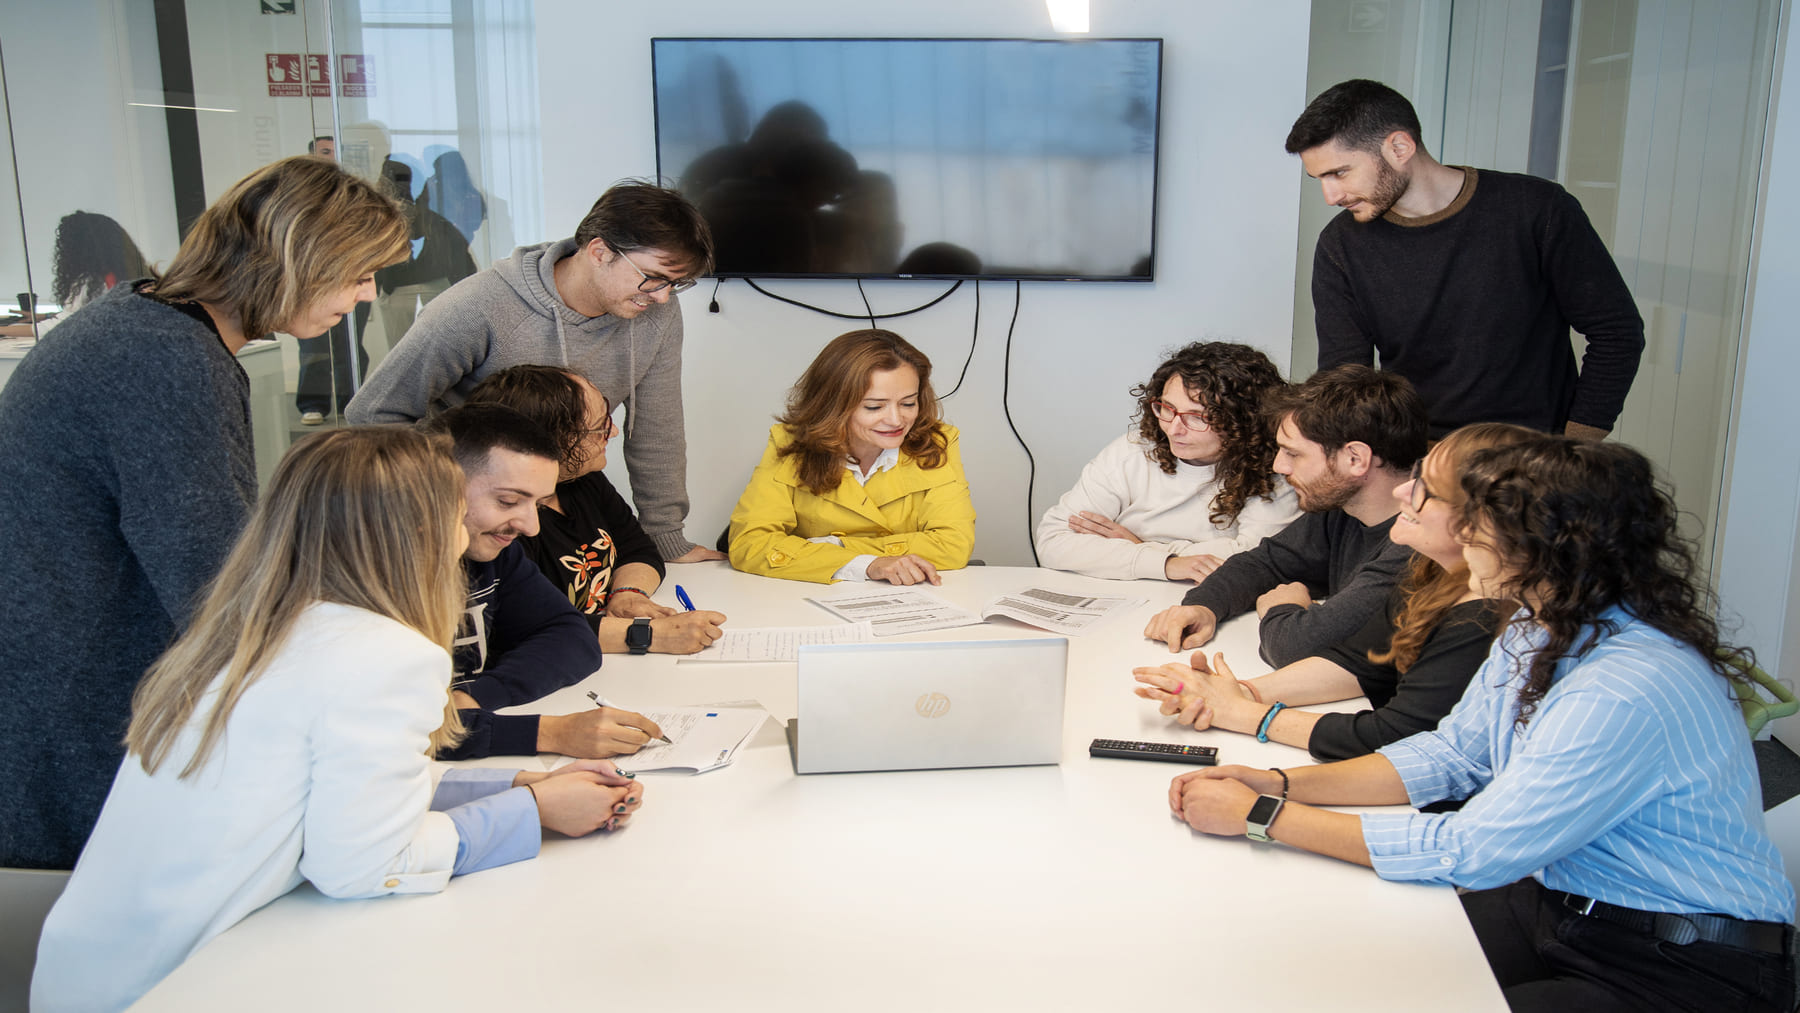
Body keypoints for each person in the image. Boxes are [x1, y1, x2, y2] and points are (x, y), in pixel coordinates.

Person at [1167, 436, 1796, 1012]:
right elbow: (1453, 756)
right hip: (1566, 906)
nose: (1459, 529)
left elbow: (1475, 850)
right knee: (1338, 972)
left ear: (1533, 543)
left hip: (1687, 963)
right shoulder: (1536, 625)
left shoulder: (1625, 686)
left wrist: (1261, 818)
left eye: (1474, 518)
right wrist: (1276, 784)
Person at [31, 427, 643, 1012]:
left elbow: (344, 787)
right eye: (458, 517)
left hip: (105, 972)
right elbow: (364, 865)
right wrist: (532, 815)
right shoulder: (385, 655)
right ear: (417, 533)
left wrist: (515, 784)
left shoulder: (258, 630)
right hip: (183, 981)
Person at [0, 155, 409, 870]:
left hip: (72, 688)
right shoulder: (166, 359)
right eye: (357, 271)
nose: (369, 293)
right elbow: (215, 581)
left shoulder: (148, 324)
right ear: (299, 258)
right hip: (72, 711)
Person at [345, 180, 721, 563]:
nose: (661, 296)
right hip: (471, 524)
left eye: (676, 284)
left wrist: (665, 537)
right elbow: (374, 413)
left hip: (567, 509)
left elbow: (657, 428)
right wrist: (440, 506)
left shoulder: (657, 312)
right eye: (653, 277)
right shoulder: (478, 307)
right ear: (599, 251)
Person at [1133, 423, 1533, 761]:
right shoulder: (1432, 574)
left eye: (1426, 487)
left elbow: (1396, 737)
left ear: (1484, 518)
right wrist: (1239, 693)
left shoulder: (1486, 617)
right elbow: (1360, 662)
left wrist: (1243, 715)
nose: (1402, 493)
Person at [1287, 78, 1645, 440]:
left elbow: (1617, 333)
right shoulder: (1340, 246)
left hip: (1535, 459)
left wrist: (1574, 448)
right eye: (1319, 178)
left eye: (1339, 172)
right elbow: (1346, 382)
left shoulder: (1536, 209)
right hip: (1418, 464)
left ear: (1399, 147)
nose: (1330, 195)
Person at [1142, 364, 1424, 667]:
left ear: (1355, 459)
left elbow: (1295, 647)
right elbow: (1264, 563)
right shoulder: (1342, 510)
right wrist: (1204, 606)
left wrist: (1283, 606)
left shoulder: (1419, 545)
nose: (1279, 466)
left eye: (1293, 453)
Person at [430, 403, 667, 762]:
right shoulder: (368, 573)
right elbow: (393, 731)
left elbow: (572, 637)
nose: (530, 527)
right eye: (508, 501)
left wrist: (472, 701)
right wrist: (549, 733)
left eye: (537, 504)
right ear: (438, 484)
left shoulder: (493, 552)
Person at [465, 365, 727, 653]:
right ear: (553, 441)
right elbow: (530, 625)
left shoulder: (583, 481)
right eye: (600, 427)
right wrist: (651, 635)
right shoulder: (509, 525)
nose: (613, 432)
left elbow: (638, 548)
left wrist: (628, 594)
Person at [729, 328, 975, 585]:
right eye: (874, 406)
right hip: (809, 599)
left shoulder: (938, 442)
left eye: (908, 403)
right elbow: (749, 542)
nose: (896, 420)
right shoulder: (790, 443)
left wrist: (835, 545)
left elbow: (953, 544)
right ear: (833, 405)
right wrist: (866, 564)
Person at [1036, 341, 1299, 582]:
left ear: (1245, 420)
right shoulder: (1133, 450)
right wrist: (1168, 564)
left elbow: (1258, 562)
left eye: (1198, 417)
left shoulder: (1279, 470)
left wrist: (1139, 547)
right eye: (1167, 408)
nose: (1173, 429)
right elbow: (1053, 541)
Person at [0, 211, 152, 338]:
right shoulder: (127, 273)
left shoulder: (92, 281)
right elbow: (88, 314)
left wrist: (2, 330)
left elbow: (63, 326)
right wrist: (45, 316)